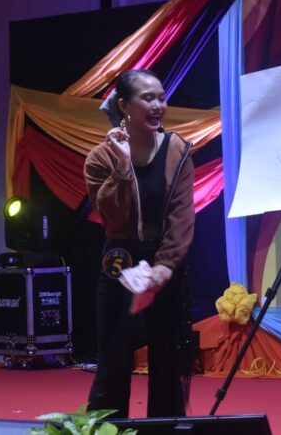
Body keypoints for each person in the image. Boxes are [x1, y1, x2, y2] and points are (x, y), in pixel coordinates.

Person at [84, 69, 195, 417]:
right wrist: (121, 166)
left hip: (165, 263)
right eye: (148, 98)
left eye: (161, 97)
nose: (158, 105)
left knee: (167, 361)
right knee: (113, 361)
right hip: (121, 263)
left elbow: (182, 216)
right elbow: (112, 218)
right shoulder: (99, 158)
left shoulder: (177, 150)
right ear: (124, 106)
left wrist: (164, 267)